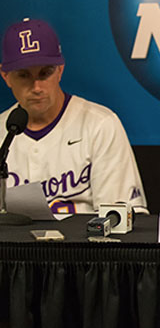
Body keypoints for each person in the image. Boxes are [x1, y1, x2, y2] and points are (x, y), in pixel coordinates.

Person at [0, 18, 148, 214]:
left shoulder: (100, 125)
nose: (36, 87)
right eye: (24, 75)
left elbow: (122, 218)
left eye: (44, 73)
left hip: (86, 244)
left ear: (60, 70)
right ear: (6, 76)